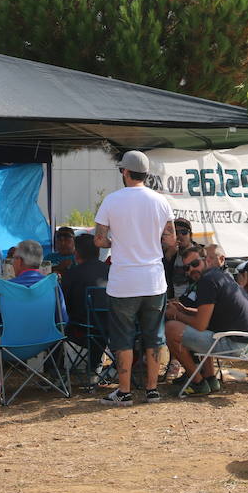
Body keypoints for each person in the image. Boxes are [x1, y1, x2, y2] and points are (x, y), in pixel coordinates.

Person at [94, 150, 175, 406]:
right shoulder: (160, 201)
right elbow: (170, 239)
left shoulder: (112, 200)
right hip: (153, 279)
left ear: (125, 172)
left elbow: (99, 239)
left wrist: (116, 241)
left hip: (123, 281)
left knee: (123, 337)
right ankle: (152, 390)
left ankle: (125, 391)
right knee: (153, 336)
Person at [0, 239, 66, 398]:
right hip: (47, 342)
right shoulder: (52, 285)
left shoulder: (7, 288)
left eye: (14, 259)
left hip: (10, 346)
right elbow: (63, 320)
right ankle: (56, 376)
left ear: (19, 261)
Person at [164, 246, 248, 396]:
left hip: (237, 345)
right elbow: (206, 315)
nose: (191, 270)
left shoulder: (207, 281)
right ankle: (210, 378)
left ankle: (198, 382)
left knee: (171, 328)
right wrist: (184, 310)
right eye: (187, 267)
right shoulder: (221, 276)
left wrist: (176, 315)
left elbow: (200, 324)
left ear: (207, 260)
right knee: (206, 328)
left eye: (195, 264)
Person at [61, 234, 110, 378]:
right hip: (111, 328)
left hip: (81, 328)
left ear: (76, 252)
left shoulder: (72, 274)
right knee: (97, 320)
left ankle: (55, 370)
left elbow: (64, 305)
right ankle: (94, 366)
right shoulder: (110, 271)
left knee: (56, 321)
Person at [163, 218, 198, 299]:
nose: (180, 236)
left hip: (191, 301)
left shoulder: (199, 253)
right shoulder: (171, 254)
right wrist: (168, 258)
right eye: (176, 232)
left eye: (184, 232)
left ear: (190, 235)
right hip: (172, 300)